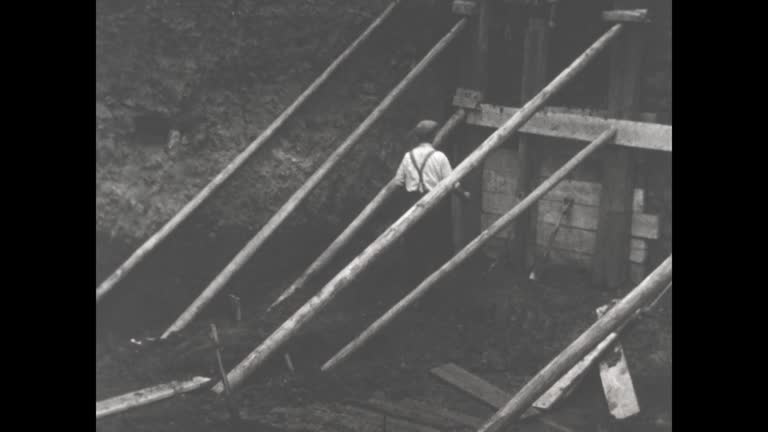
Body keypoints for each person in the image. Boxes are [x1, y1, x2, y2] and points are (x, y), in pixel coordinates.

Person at [394, 119, 470, 285]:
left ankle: (413, 284)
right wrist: (464, 195)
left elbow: (398, 182)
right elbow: (452, 183)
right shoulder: (439, 157)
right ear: (433, 136)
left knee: (413, 246)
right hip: (433, 205)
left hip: (413, 204)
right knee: (434, 244)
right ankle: (434, 286)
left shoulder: (408, 157)